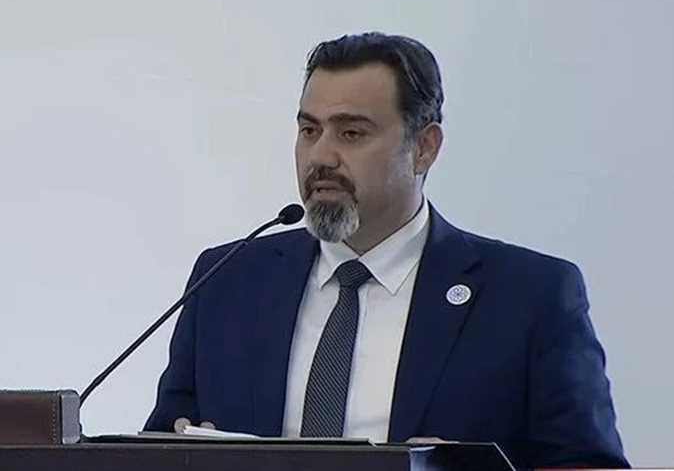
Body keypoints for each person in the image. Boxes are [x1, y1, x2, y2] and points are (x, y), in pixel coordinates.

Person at [145, 32, 628, 469]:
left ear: (425, 148)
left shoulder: (530, 297)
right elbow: (158, 447)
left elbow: (588, 465)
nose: (321, 156)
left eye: (351, 133)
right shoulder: (227, 279)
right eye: (309, 130)